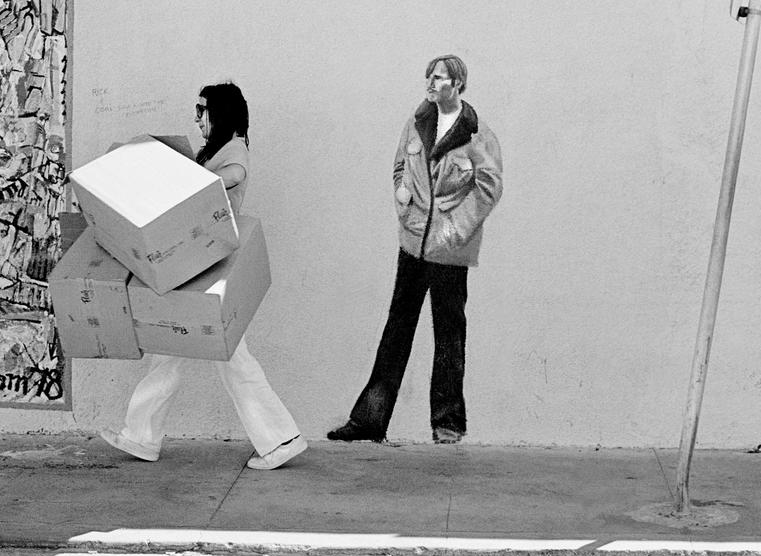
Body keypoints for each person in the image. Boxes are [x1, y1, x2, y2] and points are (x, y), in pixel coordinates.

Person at [102, 82, 307, 470]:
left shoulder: (235, 150)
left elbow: (232, 175)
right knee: (169, 351)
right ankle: (142, 436)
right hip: (193, 267)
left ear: (221, 113)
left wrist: (182, 180)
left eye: (203, 110)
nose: (197, 118)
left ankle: (281, 439)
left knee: (231, 359)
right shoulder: (211, 151)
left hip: (208, 270)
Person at [328, 55, 503, 444]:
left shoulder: (477, 135)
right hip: (412, 246)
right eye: (429, 76)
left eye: (438, 78)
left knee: (449, 335)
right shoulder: (417, 121)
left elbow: (489, 187)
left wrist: (455, 230)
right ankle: (369, 420)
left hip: (449, 253)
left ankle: (448, 426)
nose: (430, 82)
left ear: (457, 85)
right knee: (396, 329)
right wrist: (403, 201)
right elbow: (398, 170)